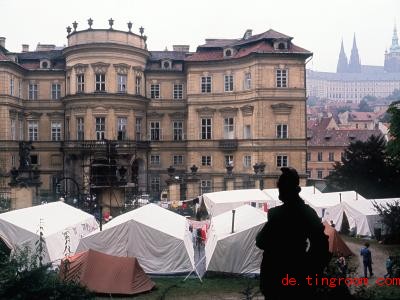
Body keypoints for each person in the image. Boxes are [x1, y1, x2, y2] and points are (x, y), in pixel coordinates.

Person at [256, 167, 330, 300]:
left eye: (280, 187)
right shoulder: (307, 213)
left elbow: (260, 241)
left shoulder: (278, 214)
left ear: (287, 189)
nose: (279, 190)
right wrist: (309, 268)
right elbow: (321, 244)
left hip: (277, 274)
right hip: (297, 272)